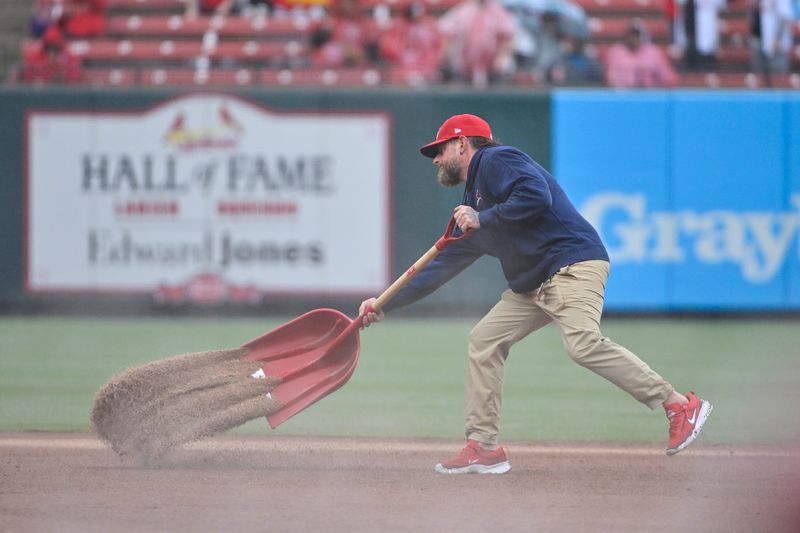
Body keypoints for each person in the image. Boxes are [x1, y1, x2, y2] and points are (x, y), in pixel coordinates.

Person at [359, 114, 713, 474]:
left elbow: (535, 194)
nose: (436, 158)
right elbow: (443, 264)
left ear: (463, 143)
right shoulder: (474, 200)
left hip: (571, 264)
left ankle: (679, 405)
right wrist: (386, 304)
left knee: (582, 344)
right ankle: (483, 447)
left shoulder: (494, 160)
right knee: (484, 340)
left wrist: (485, 218)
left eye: (440, 148)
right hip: (534, 286)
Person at [437, 0, 517, 87]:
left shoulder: (498, 12)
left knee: (505, 68)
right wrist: (448, 59)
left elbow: (508, 37)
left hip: (492, 68)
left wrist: (502, 58)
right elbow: (447, 35)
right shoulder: (462, 11)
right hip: (464, 67)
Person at [604, 22, 680, 88]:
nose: (633, 38)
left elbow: (670, 78)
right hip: (623, 96)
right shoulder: (615, 52)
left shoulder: (653, 52)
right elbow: (609, 78)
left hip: (649, 95)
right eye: (631, 35)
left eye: (637, 35)